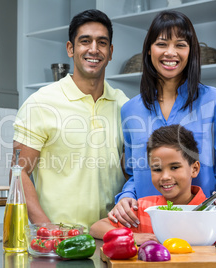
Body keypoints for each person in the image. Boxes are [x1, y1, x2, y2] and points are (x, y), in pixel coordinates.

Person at [109, 10, 216, 228]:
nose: (170, 52)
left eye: (180, 44)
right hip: (147, 225)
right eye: (162, 43)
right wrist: (125, 197)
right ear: (149, 50)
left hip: (201, 224)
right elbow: (134, 173)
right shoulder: (130, 110)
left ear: (191, 51)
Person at [11, 9, 129, 229]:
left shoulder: (124, 104)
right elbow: (19, 173)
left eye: (102, 42)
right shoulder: (40, 103)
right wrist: (46, 229)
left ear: (110, 52)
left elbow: (128, 172)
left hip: (112, 236)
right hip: (60, 241)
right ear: (70, 49)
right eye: (85, 41)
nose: (94, 49)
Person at [91, 125, 216, 250]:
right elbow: (97, 228)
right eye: (157, 169)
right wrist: (133, 237)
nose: (164, 176)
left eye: (174, 167)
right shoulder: (143, 208)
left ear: (194, 169)